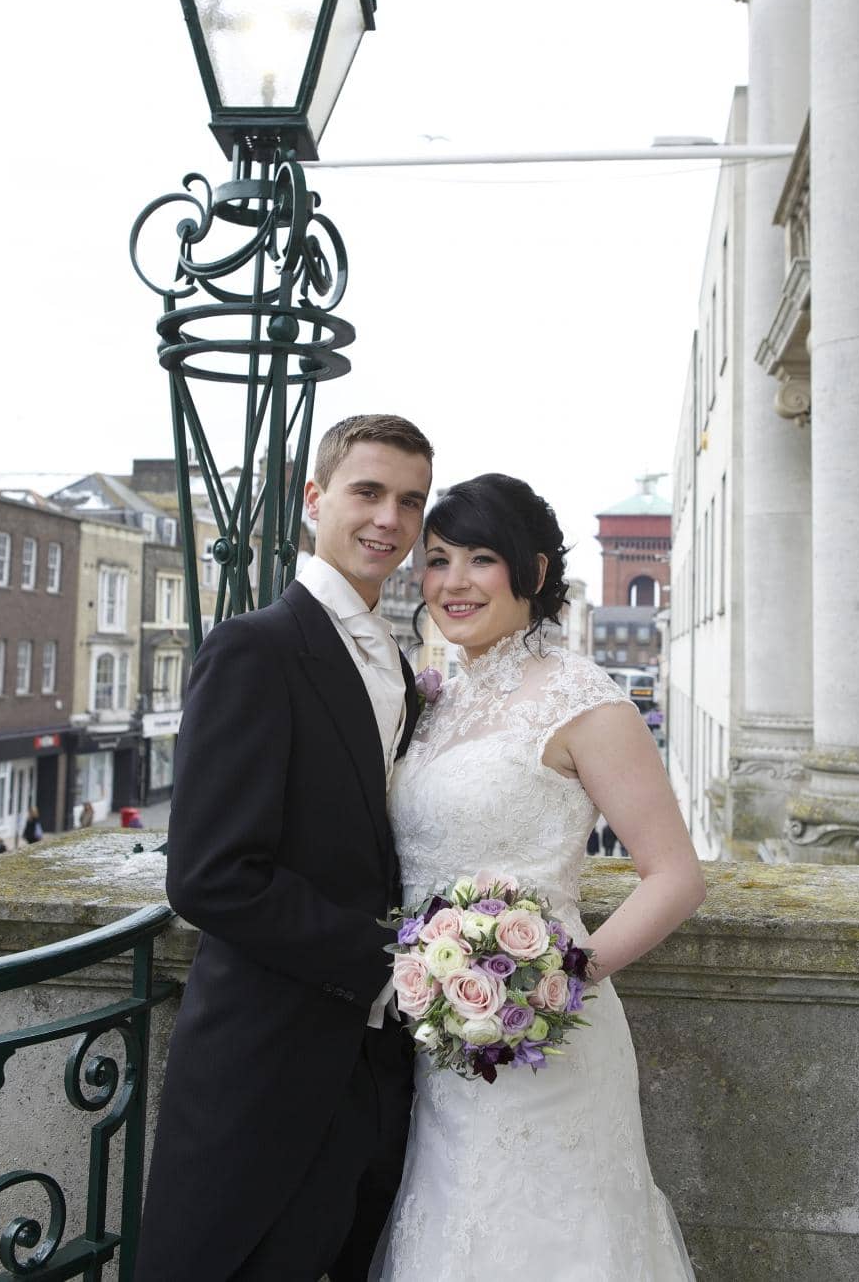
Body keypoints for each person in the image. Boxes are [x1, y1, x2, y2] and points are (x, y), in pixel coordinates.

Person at [375, 474, 705, 1281]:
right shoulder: (435, 697)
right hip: (431, 1043)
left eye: (480, 559)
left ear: (533, 569)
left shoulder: (584, 701)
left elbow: (674, 876)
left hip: (544, 1043)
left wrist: (555, 979)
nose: (452, 582)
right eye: (437, 558)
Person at [135, 414, 434, 1282]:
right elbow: (209, 876)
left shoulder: (398, 662)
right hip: (262, 1066)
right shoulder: (254, 649)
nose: (389, 520)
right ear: (314, 500)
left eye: (410, 502)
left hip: (375, 1073)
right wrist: (398, 960)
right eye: (368, 492)